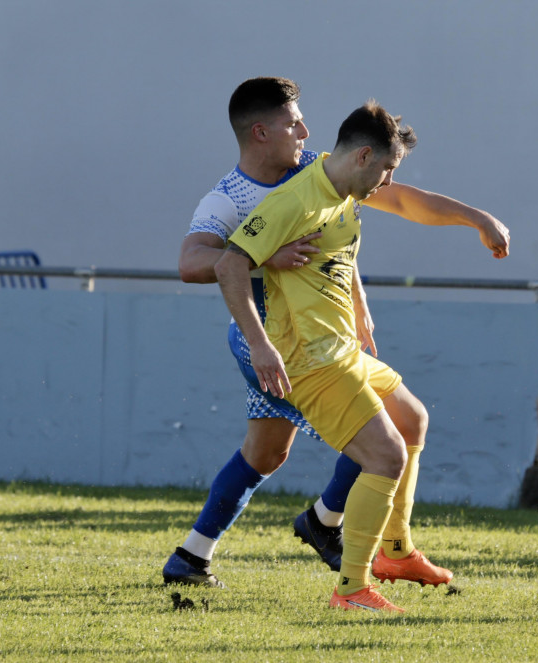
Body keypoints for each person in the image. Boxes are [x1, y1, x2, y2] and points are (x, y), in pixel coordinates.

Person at [162, 77, 510, 591]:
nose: (305, 128)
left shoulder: (313, 169)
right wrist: (265, 258)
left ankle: (194, 554)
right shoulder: (228, 198)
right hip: (271, 339)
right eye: (292, 121)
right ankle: (332, 533)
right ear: (260, 133)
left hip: (317, 333)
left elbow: (389, 208)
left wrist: (360, 296)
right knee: (379, 438)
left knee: (268, 454)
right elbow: (193, 262)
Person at [215, 99, 465, 612]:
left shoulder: (342, 188)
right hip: (310, 360)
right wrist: (260, 344)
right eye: (388, 170)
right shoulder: (295, 200)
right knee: (386, 456)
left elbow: (341, 252)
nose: (388, 182)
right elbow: (229, 264)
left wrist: (359, 303)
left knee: (412, 420)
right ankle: (351, 589)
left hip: (341, 351)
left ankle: (395, 552)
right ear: (364, 156)